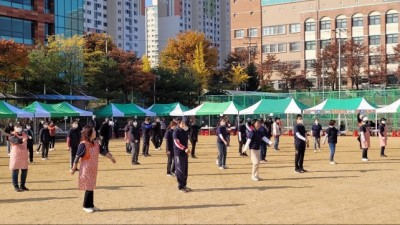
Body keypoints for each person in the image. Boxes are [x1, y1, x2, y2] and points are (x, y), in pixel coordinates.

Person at [70, 125, 116, 213]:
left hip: (93, 168)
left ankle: (91, 205)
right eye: (94, 131)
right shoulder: (83, 145)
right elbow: (77, 156)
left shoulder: (96, 143)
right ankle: (86, 205)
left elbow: (103, 151)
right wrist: (73, 168)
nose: (96, 132)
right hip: (86, 168)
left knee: (91, 186)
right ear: (90, 133)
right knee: (88, 186)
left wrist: (111, 158)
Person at [9, 124, 30, 192]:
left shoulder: (24, 134)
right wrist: (23, 140)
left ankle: (22, 185)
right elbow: (16, 141)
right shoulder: (12, 135)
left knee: (24, 170)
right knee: (15, 170)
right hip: (16, 155)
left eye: (20, 127)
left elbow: (28, 143)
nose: (19, 128)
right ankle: (16, 186)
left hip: (24, 154)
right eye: (17, 127)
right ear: (14, 127)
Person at [173, 120, 191, 192]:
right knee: (180, 170)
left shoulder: (184, 131)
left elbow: (187, 140)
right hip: (179, 153)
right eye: (182, 123)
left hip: (185, 153)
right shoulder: (176, 132)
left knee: (185, 170)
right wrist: (184, 148)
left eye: (185, 123)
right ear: (179, 124)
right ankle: (180, 186)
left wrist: (187, 149)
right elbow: (176, 142)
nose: (184, 125)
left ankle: (184, 185)